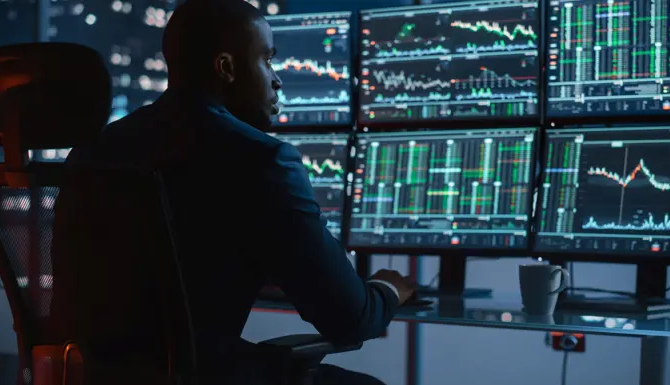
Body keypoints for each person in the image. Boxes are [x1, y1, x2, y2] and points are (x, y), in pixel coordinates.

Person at [62, 0, 415, 383]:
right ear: (226, 68)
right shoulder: (261, 160)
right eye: (266, 60)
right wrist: (387, 288)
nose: (277, 79)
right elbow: (351, 318)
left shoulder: (94, 150)